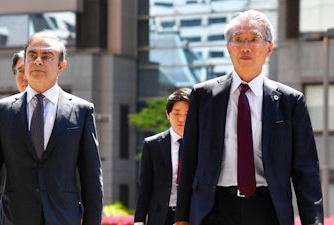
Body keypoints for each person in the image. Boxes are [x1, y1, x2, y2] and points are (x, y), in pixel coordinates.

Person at [175, 9, 323, 225]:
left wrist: (314, 221)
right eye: (238, 40)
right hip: (212, 209)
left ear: (269, 48)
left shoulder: (290, 101)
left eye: (254, 39)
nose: (245, 47)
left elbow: (305, 169)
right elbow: (188, 160)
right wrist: (181, 218)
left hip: (267, 210)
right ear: (228, 48)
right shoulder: (204, 95)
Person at [0, 31, 103, 225]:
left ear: (61, 67)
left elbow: (91, 175)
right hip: (13, 217)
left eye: (47, 56)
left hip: (64, 218)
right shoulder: (3, 110)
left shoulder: (81, 111)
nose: (38, 61)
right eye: (32, 55)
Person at [0, 50, 29, 225]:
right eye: (20, 70)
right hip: (8, 214)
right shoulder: (2, 112)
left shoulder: (69, 110)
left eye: (29, 68)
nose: (25, 76)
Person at [134, 88, 191, 225]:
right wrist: (139, 221)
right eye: (176, 113)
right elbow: (145, 185)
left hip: (191, 216)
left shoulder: (203, 145)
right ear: (167, 114)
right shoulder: (152, 144)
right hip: (161, 217)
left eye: (187, 114)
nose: (181, 119)